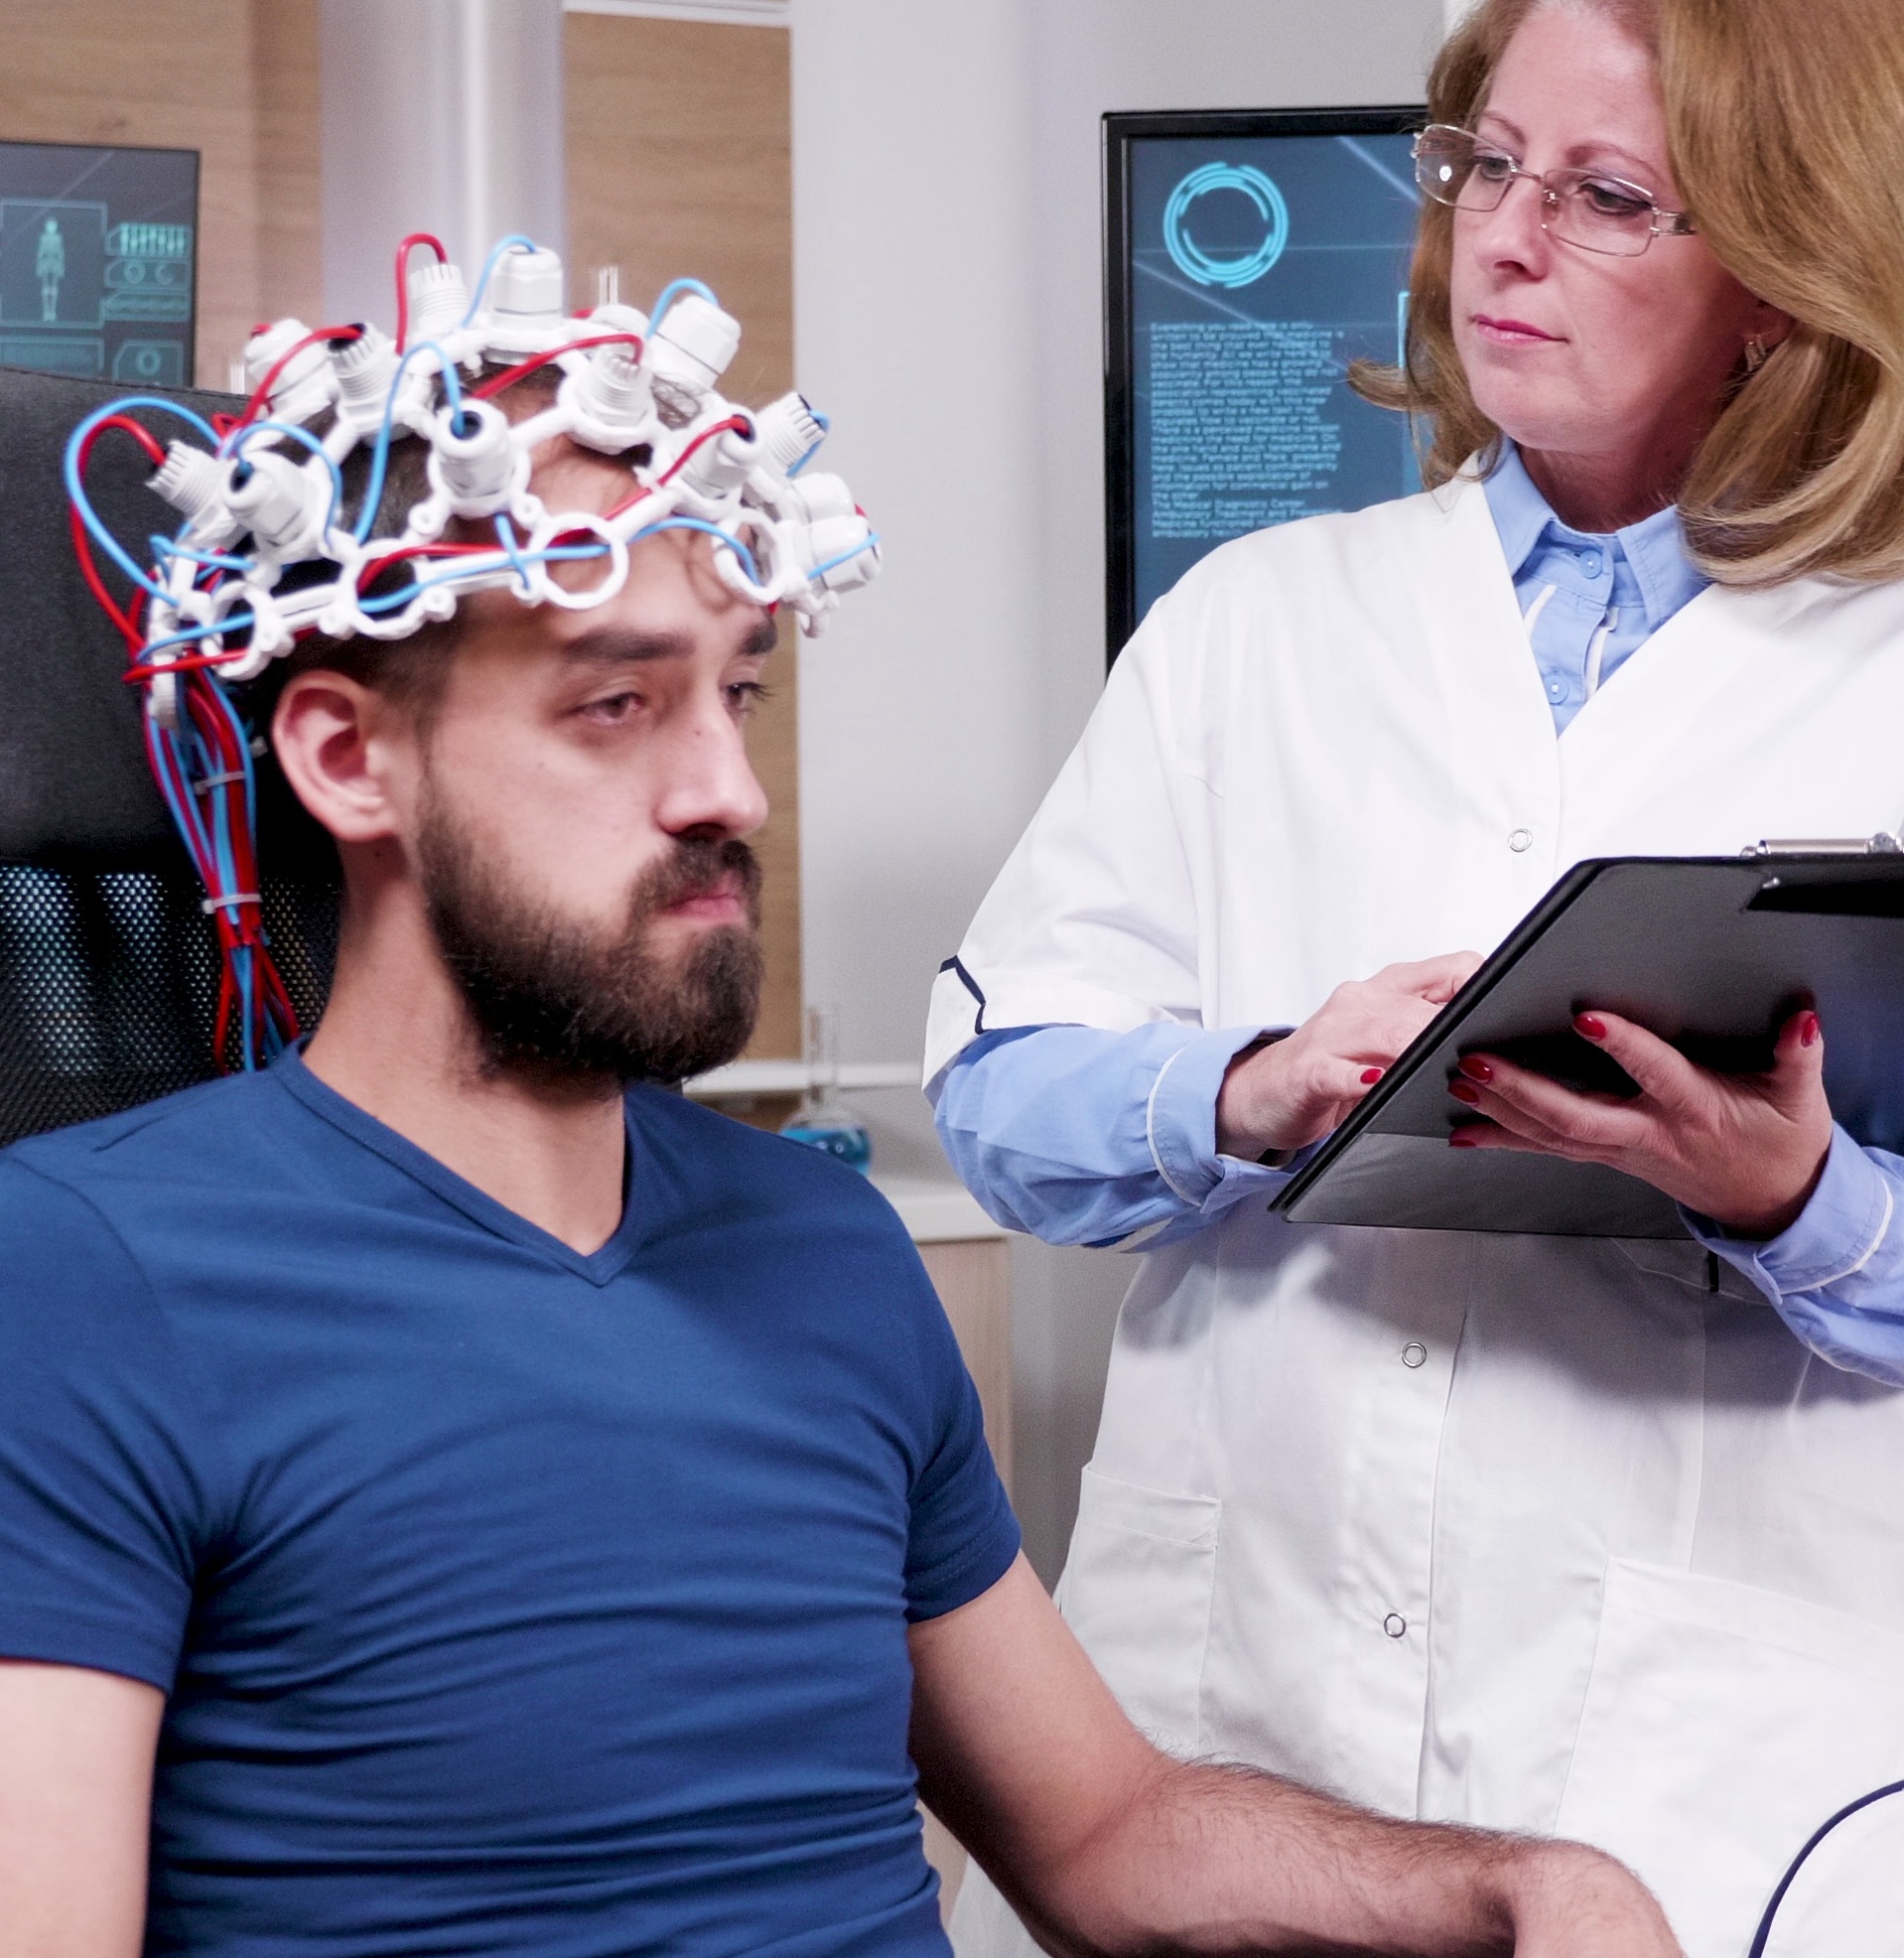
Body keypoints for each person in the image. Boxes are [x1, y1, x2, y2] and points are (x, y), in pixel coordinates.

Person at [0, 254, 1680, 1958]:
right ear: (347, 759)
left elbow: (1108, 1835)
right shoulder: (87, 1281)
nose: (729, 787)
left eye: (737, 691)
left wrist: (1525, 1885)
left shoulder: (818, 1246)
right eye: (614, 704)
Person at [928, 3, 1904, 1955]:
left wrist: (1796, 1197)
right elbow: (994, 1092)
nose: (1499, 236)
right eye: (1484, 165)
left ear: (1778, 275)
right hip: (1229, 1721)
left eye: (1603, 197)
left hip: (1703, 1775)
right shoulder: (1253, 625)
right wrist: (1242, 1084)